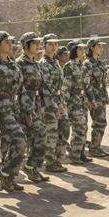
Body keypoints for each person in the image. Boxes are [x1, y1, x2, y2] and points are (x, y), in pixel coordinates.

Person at [0, 31, 29, 192]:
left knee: (10, 144)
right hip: (1, 109)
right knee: (20, 140)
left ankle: (8, 177)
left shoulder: (12, 63)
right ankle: (5, 173)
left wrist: (26, 110)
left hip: (14, 107)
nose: (11, 45)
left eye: (11, 42)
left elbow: (21, 89)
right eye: (7, 42)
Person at [16, 32, 53, 182]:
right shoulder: (19, 64)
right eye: (34, 43)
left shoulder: (36, 64)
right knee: (39, 134)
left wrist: (53, 106)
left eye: (39, 43)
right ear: (26, 45)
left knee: (35, 137)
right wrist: (27, 111)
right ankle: (19, 170)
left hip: (36, 104)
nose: (38, 45)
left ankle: (32, 168)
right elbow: (20, 89)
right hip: (24, 106)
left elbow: (43, 87)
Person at [39, 34, 68, 173]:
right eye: (50, 44)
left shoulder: (55, 62)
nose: (53, 46)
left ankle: (57, 159)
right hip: (49, 103)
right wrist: (57, 104)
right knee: (51, 133)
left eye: (56, 44)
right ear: (44, 45)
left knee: (64, 129)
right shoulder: (43, 64)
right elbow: (47, 86)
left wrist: (61, 101)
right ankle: (50, 162)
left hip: (59, 100)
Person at [61, 40, 91, 165]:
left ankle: (81, 152)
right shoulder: (70, 66)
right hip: (73, 101)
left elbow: (86, 85)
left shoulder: (82, 66)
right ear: (74, 50)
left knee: (84, 127)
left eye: (83, 49)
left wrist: (89, 99)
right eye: (80, 49)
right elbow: (66, 87)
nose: (83, 51)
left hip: (82, 100)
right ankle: (74, 154)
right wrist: (66, 104)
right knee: (79, 127)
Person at [83, 38, 109, 158]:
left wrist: (106, 95)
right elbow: (86, 83)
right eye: (99, 46)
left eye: (102, 46)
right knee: (98, 122)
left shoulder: (100, 63)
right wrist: (91, 99)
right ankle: (94, 148)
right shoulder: (87, 64)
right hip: (92, 96)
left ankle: (96, 146)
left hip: (100, 96)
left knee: (101, 122)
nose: (101, 49)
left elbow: (103, 82)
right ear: (92, 48)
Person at [56, 46, 71, 159]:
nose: (67, 57)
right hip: (56, 101)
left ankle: (63, 147)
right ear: (59, 56)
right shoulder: (57, 66)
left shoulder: (66, 67)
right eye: (64, 55)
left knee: (65, 126)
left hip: (64, 99)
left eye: (67, 54)